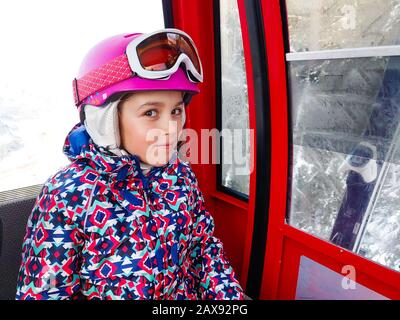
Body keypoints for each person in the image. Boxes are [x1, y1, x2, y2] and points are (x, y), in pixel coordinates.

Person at [15, 28, 245, 300]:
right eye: (150, 112)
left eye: (176, 110)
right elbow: (47, 291)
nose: (171, 128)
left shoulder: (179, 175)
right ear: (105, 119)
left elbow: (202, 250)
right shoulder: (68, 194)